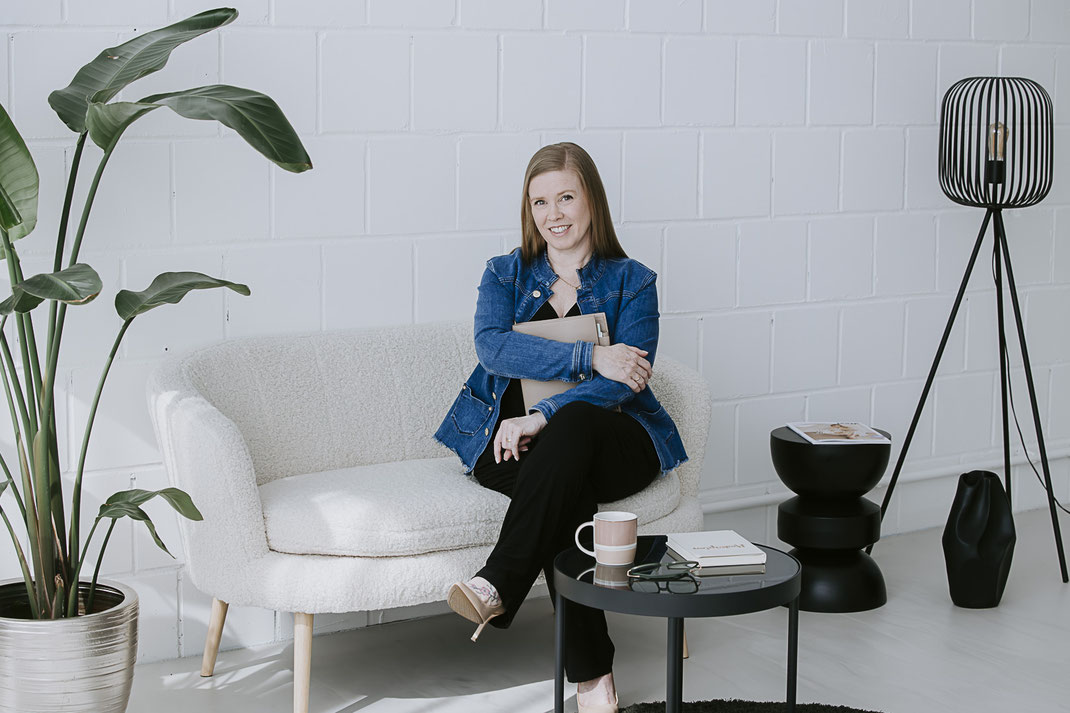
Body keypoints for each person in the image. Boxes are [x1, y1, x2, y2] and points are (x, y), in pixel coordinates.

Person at [434, 142, 687, 713]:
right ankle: (593, 677)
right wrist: (590, 358)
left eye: (566, 197)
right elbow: (493, 349)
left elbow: (628, 380)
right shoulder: (504, 274)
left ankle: (497, 582)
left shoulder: (633, 281)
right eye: (540, 201)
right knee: (563, 489)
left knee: (572, 426)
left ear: (591, 199)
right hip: (504, 440)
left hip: (612, 437)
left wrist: (544, 415)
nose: (553, 214)